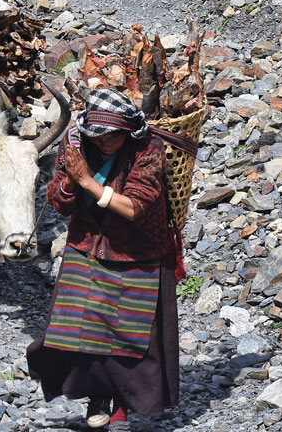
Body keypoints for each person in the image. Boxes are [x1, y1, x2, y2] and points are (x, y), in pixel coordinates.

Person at [27, 89, 181, 431]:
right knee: (79, 330)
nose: (105, 142)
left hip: (137, 251)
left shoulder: (148, 149)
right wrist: (70, 179)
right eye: (99, 136)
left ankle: (121, 409)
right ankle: (96, 397)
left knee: (129, 338)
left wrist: (86, 181)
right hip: (86, 247)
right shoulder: (76, 144)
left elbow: (134, 206)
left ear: (128, 132)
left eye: (113, 136)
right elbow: (58, 202)